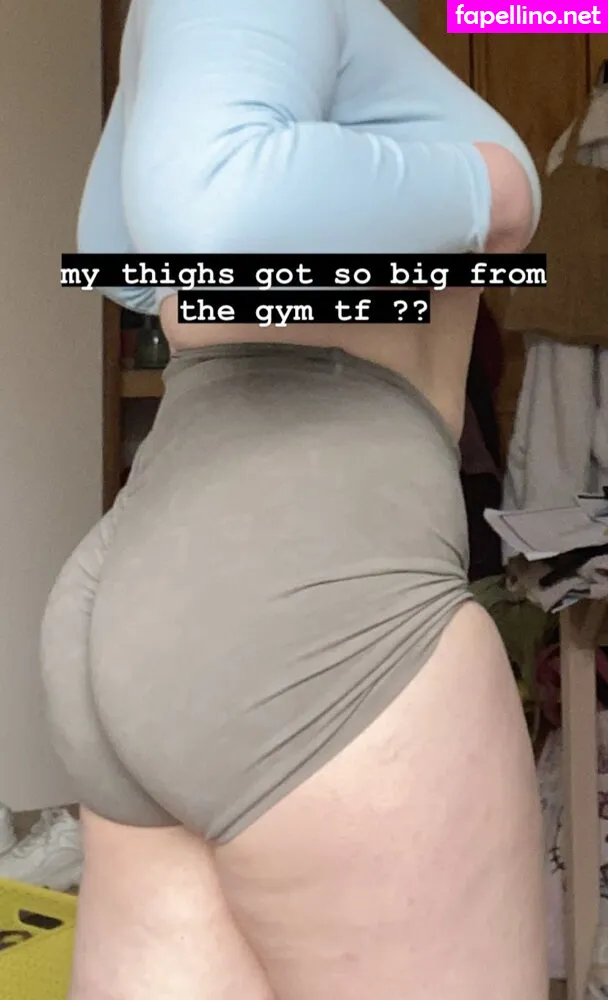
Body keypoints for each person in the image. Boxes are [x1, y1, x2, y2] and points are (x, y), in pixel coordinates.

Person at [41, 1, 548, 998]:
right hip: (317, 591)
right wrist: (487, 190)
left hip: (153, 573)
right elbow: (209, 209)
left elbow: (125, 256)